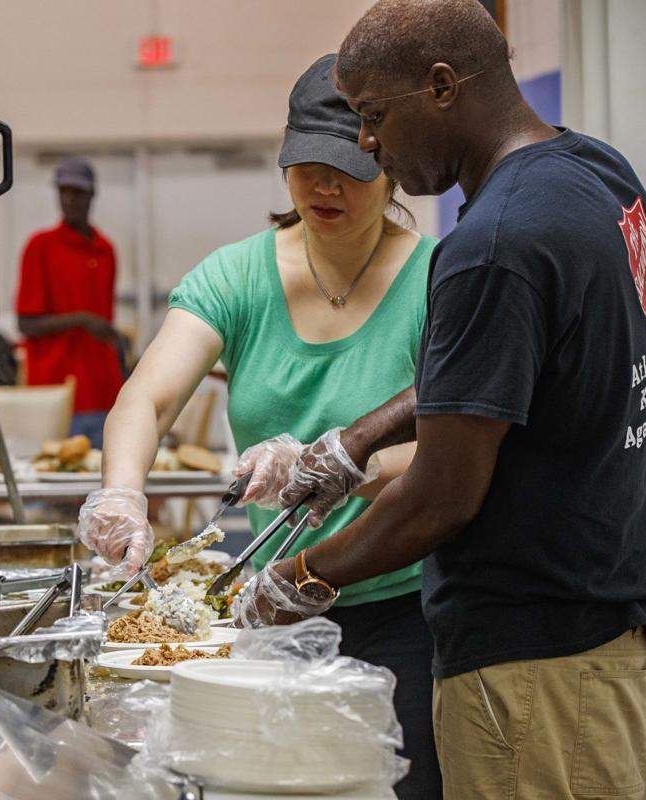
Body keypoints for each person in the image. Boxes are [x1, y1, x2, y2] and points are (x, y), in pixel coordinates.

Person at [233, 2, 646, 798]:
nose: (367, 143)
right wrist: (358, 439)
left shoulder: (494, 244)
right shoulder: (593, 172)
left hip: (535, 660)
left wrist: (293, 580)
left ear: (441, 87)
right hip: (603, 620)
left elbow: (440, 498)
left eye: (373, 117)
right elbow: (509, 367)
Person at [78, 55, 442, 799]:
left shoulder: (441, 278)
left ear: (391, 164)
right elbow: (145, 400)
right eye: (304, 163)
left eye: (346, 166)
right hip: (266, 610)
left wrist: (342, 467)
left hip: (404, 606)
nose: (322, 186)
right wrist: (120, 493)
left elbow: (453, 447)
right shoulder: (237, 277)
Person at [16, 158, 123, 448]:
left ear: (91, 195)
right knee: (51, 487)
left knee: (105, 486)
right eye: (64, 191)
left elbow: (105, 321)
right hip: (55, 392)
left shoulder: (106, 251)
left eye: (77, 192)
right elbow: (26, 324)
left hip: (103, 389)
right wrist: (81, 319)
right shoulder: (39, 247)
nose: (70, 199)